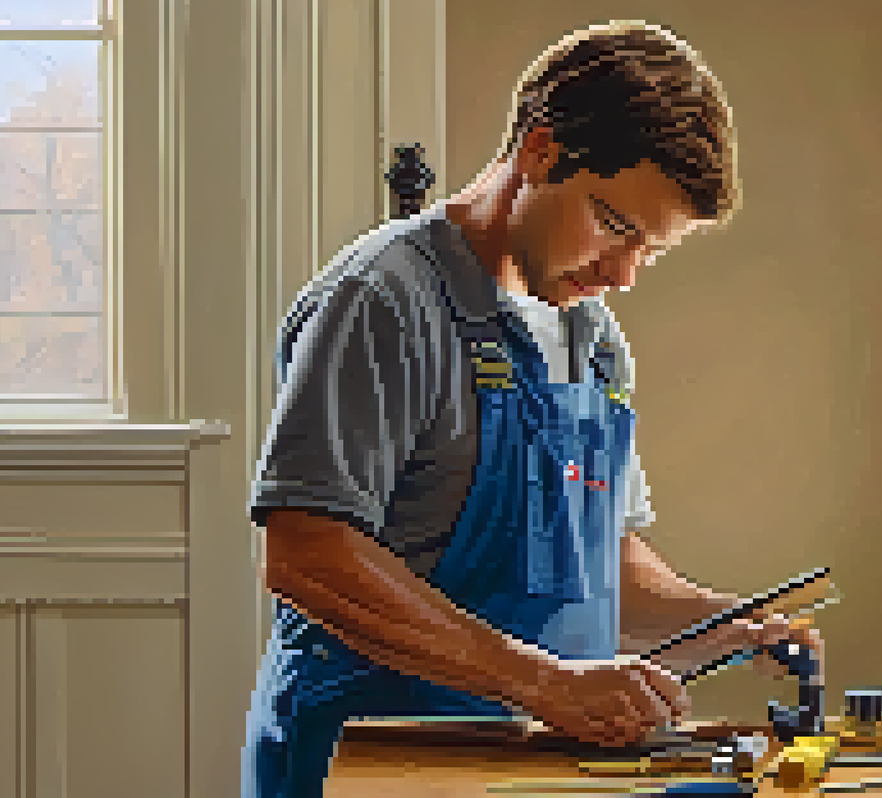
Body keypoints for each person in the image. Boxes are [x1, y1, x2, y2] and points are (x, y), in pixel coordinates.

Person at [242, 21, 824, 798]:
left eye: (651, 250)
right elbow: (308, 552)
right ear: (541, 153)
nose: (624, 274)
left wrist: (724, 624)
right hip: (372, 763)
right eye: (615, 226)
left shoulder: (593, 337)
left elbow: (598, 557)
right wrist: (544, 682)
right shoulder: (383, 300)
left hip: (531, 770)